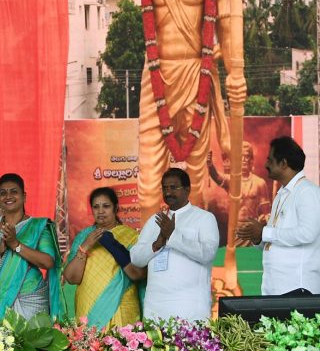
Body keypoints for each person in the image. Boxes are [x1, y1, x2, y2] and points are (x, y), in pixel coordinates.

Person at [61, 0, 246, 217]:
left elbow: (227, 29)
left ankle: (196, 264)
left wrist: (235, 73)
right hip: (155, 80)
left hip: (197, 78)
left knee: (194, 186)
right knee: (148, 186)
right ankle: (152, 267)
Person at [0, 173, 62, 325]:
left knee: (32, 347)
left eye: (14, 191)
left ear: (24, 196)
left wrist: (16, 245)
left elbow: (48, 261)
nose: (8, 196)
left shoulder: (38, 226)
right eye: (3, 193)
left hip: (30, 301)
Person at [130, 168, 219, 321]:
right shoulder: (155, 221)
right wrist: (157, 244)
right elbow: (136, 258)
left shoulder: (204, 218)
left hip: (191, 308)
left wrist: (173, 235)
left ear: (187, 190)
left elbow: (208, 253)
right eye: (165, 188)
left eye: (173, 187)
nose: (168, 192)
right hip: (156, 307)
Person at [236, 136, 320, 295]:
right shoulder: (281, 195)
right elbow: (275, 241)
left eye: (270, 160)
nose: (266, 164)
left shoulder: (307, 192)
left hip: (298, 288)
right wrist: (257, 238)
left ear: (283, 163)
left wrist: (264, 232)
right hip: (277, 289)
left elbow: (308, 233)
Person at [63, 187, 145, 328]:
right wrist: (85, 247)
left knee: (121, 347)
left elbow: (138, 274)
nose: (100, 211)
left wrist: (114, 245)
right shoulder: (83, 237)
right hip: (88, 306)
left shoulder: (132, 237)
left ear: (116, 208)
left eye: (106, 206)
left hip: (121, 305)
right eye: (96, 207)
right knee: (89, 347)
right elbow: (71, 278)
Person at [207, 143, 273, 245]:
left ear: (252, 160)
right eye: (240, 157)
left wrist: (265, 218)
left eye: (247, 156)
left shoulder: (260, 183)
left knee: (250, 258)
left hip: (252, 229)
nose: (244, 160)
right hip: (236, 229)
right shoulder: (232, 181)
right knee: (236, 258)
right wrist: (210, 164)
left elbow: (267, 212)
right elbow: (216, 177)